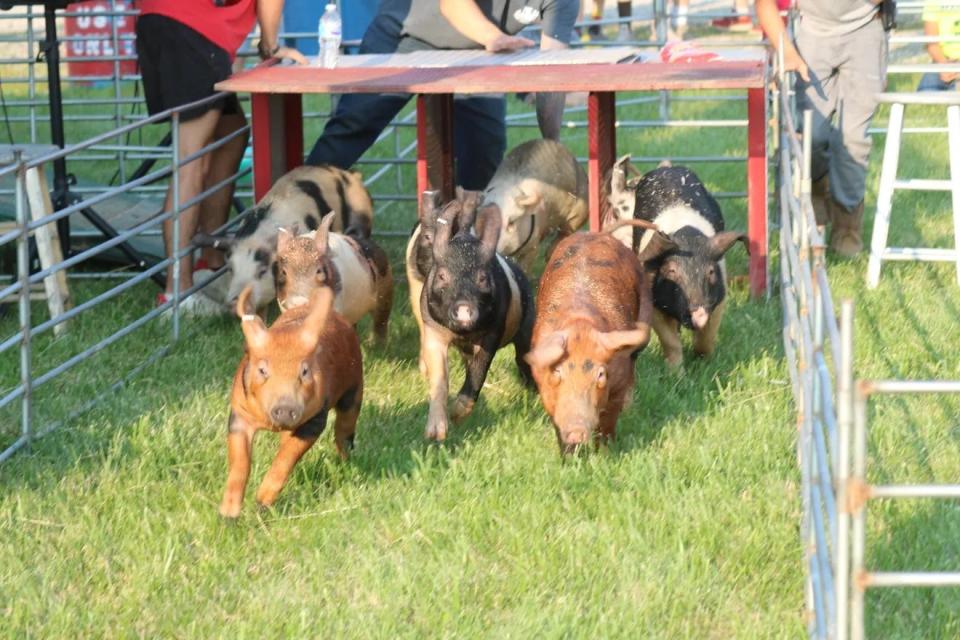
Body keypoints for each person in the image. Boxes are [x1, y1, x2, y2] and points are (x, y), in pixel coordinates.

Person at [136, 0, 306, 313]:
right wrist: (270, 46)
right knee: (192, 160)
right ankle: (178, 295)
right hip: (193, 29)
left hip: (156, 20)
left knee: (232, 131)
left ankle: (210, 262)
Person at [305, 0, 579, 191]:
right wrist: (493, 37)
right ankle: (294, 208)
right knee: (354, 125)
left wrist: (552, 146)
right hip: (403, 36)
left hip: (477, 52)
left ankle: (463, 244)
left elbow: (552, 75)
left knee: (484, 148)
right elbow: (452, 4)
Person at [758, 0, 888, 257]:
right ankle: (817, 194)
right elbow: (764, 4)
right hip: (814, 33)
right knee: (812, 135)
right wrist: (788, 51)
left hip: (865, 31)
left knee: (853, 139)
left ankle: (847, 226)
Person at [918, 1, 960, 91]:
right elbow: (932, 43)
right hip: (944, 60)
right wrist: (944, 65)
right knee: (924, 96)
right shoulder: (933, 2)